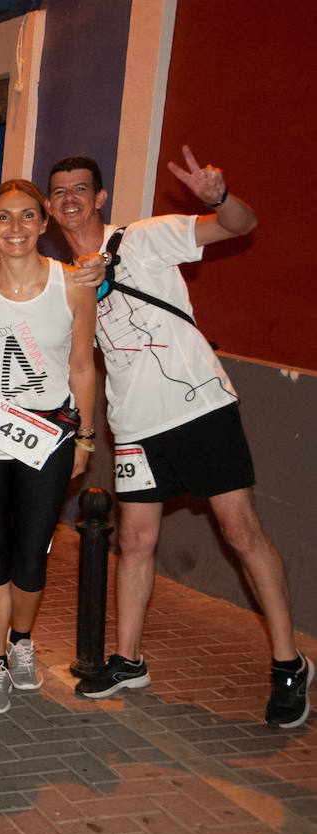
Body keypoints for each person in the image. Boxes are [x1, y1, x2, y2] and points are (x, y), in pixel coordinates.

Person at [48, 149, 309, 727]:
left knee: (240, 534)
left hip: (200, 409)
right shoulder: (67, 281)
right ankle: (129, 658)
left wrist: (218, 197)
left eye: (80, 188)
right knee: (135, 542)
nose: (70, 198)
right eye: (59, 190)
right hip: (135, 426)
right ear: (49, 206)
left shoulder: (143, 239)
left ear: (100, 197)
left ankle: (289, 662)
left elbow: (240, 225)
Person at [0, 179, 96, 714]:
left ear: (44, 224)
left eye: (27, 216)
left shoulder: (73, 286)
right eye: (4, 218)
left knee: (32, 553)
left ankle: (21, 642)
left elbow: (82, 366)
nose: (16, 228)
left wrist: (85, 436)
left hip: (50, 435)